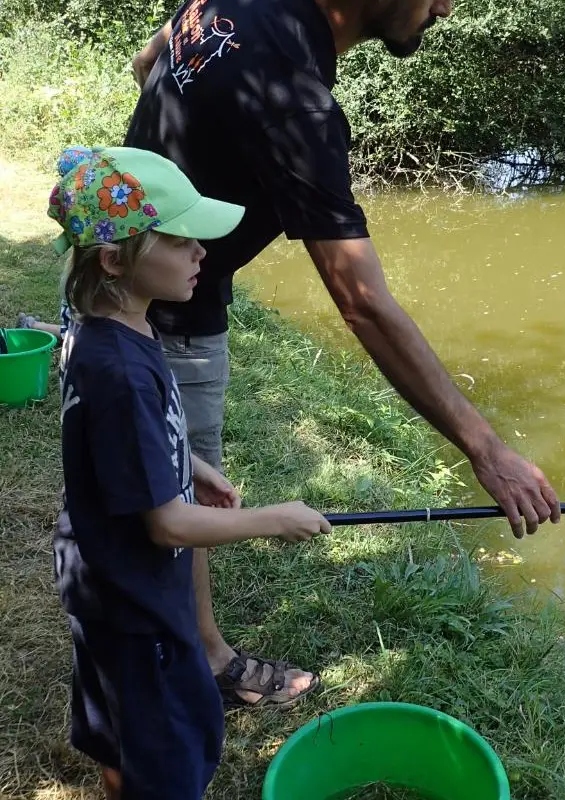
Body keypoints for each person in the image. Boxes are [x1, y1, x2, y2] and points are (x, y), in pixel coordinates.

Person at [126, 0, 562, 707]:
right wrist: (487, 450)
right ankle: (199, 663)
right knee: (169, 499)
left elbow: (151, 58)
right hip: (170, 319)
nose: (446, 7)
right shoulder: (297, 107)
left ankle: (167, 643)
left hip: (112, 274)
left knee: (149, 479)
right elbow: (362, 302)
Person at [50, 145, 332, 800]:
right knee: (165, 744)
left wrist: (191, 461)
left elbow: (128, 438)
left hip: (104, 569)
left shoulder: (113, 330)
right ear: (117, 260)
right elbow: (168, 524)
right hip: (129, 593)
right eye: (183, 241)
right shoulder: (119, 368)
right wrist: (274, 519)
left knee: (124, 722)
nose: (203, 253)